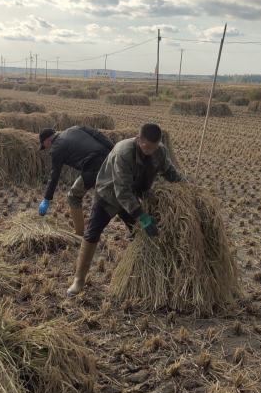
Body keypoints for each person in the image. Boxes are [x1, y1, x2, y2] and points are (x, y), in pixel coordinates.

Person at [67, 123, 184, 297]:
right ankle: (79, 280)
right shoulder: (124, 152)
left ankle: (139, 277)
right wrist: (142, 217)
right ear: (139, 140)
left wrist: (186, 187)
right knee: (92, 233)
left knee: (140, 236)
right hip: (109, 195)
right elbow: (122, 191)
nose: (150, 150)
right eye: (146, 146)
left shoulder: (160, 152)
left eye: (154, 147)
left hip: (133, 198)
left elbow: (170, 172)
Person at [37, 125, 114, 236]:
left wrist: (46, 199)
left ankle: (79, 234)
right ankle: (134, 227)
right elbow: (97, 134)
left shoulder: (56, 148)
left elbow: (54, 175)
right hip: (108, 157)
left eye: (44, 146)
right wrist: (113, 151)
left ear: (47, 140)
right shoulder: (74, 128)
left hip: (93, 166)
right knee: (117, 194)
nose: (47, 148)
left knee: (73, 197)